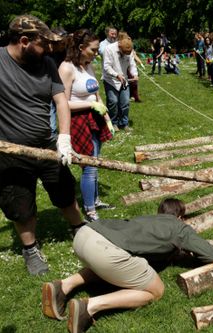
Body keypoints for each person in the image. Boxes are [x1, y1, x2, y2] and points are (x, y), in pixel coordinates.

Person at [41, 198, 213, 333]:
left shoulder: (146, 218)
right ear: (181, 217)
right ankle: (89, 307)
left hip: (85, 235)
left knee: (112, 262)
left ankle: (63, 286)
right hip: (105, 251)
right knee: (155, 291)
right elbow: (211, 254)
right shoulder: (179, 227)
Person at [0, 15, 85, 275]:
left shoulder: (47, 63)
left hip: (48, 146)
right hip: (11, 152)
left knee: (65, 192)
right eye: (43, 44)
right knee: (20, 204)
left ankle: (80, 232)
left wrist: (64, 138)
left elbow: (60, 101)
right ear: (24, 41)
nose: (49, 49)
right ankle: (30, 249)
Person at [58, 29, 115, 223]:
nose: (96, 53)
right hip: (79, 121)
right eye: (93, 49)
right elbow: (62, 103)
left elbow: (95, 92)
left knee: (95, 163)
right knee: (89, 167)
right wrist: (91, 105)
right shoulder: (66, 68)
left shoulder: (87, 65)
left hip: (95, 118)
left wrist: (106, 116)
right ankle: (90, 211)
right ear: (81, 48)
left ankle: (95, 200)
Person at [102, 32, 138, 132]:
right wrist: (116, 75)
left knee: (125, 102)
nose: (126, 54)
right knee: (113, 102)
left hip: (124, 80)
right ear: (119, 46)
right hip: (110, 80)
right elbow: (107, 67)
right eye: (124, 53)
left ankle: (124, 123)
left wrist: (135, 74)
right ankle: (113, 123)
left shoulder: (129, 50)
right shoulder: (109, 49)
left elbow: (132, 64)